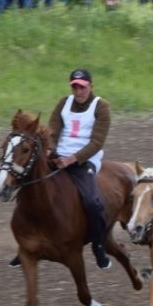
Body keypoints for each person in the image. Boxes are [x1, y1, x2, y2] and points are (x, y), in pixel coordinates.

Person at [49, 69, 114, 269]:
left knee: (92, 203)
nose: (78, 91)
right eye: (75, 87)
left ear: (91, 86)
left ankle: (98, 245)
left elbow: (96, 142)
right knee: (29, 185)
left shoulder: (101, 107)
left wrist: (73, 159)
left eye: (82, 87)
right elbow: (52, 130)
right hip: (58, 157)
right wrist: (51, 151)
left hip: (85, 161)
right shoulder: (63, 103)